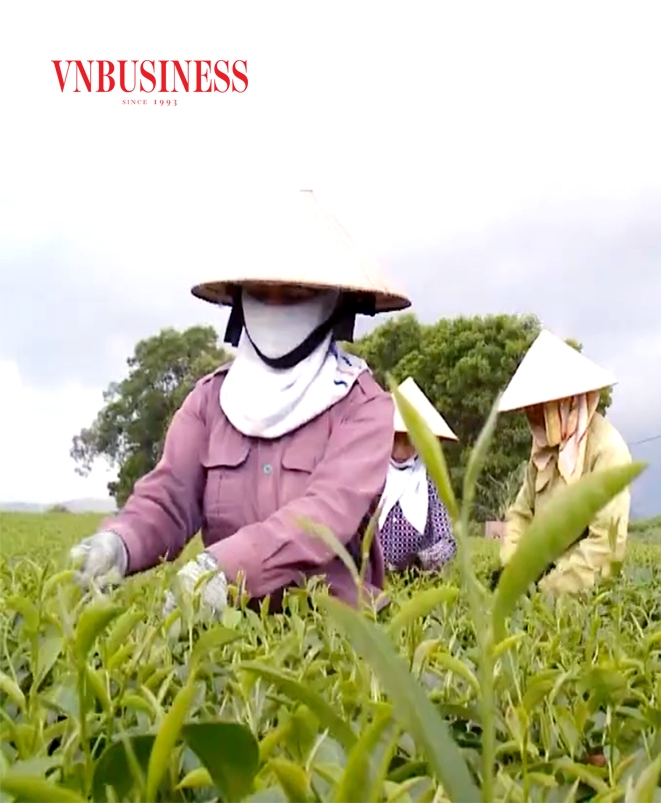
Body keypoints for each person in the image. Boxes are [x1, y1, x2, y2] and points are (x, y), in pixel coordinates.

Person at [70, 189, 409, 617]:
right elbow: (170, 497)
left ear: (335, 302)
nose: (277, 305)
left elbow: (325, 514)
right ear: (240, 299)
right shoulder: (211, 400)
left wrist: (222, 569)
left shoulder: (362, 406)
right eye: (262, 292)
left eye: (296, 292)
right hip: (225, 625)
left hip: (329, 632)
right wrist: (119, 543)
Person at [491, 330, 632, 596]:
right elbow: (521, 514)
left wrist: (547, 589)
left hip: (582, 590)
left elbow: (605, 545)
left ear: (566, 401)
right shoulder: (544, 450)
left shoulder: (607, 452)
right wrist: (512, 566)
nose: (531, 415)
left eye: (539, 407)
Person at [375, 377, 458, 577]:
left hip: (418, 579)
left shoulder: (430, 483)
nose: (401, 448)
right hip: (375, 581)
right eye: (396, 437)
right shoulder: (373, 477)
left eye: (409, 438)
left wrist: (422, 562)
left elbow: (448, 541)